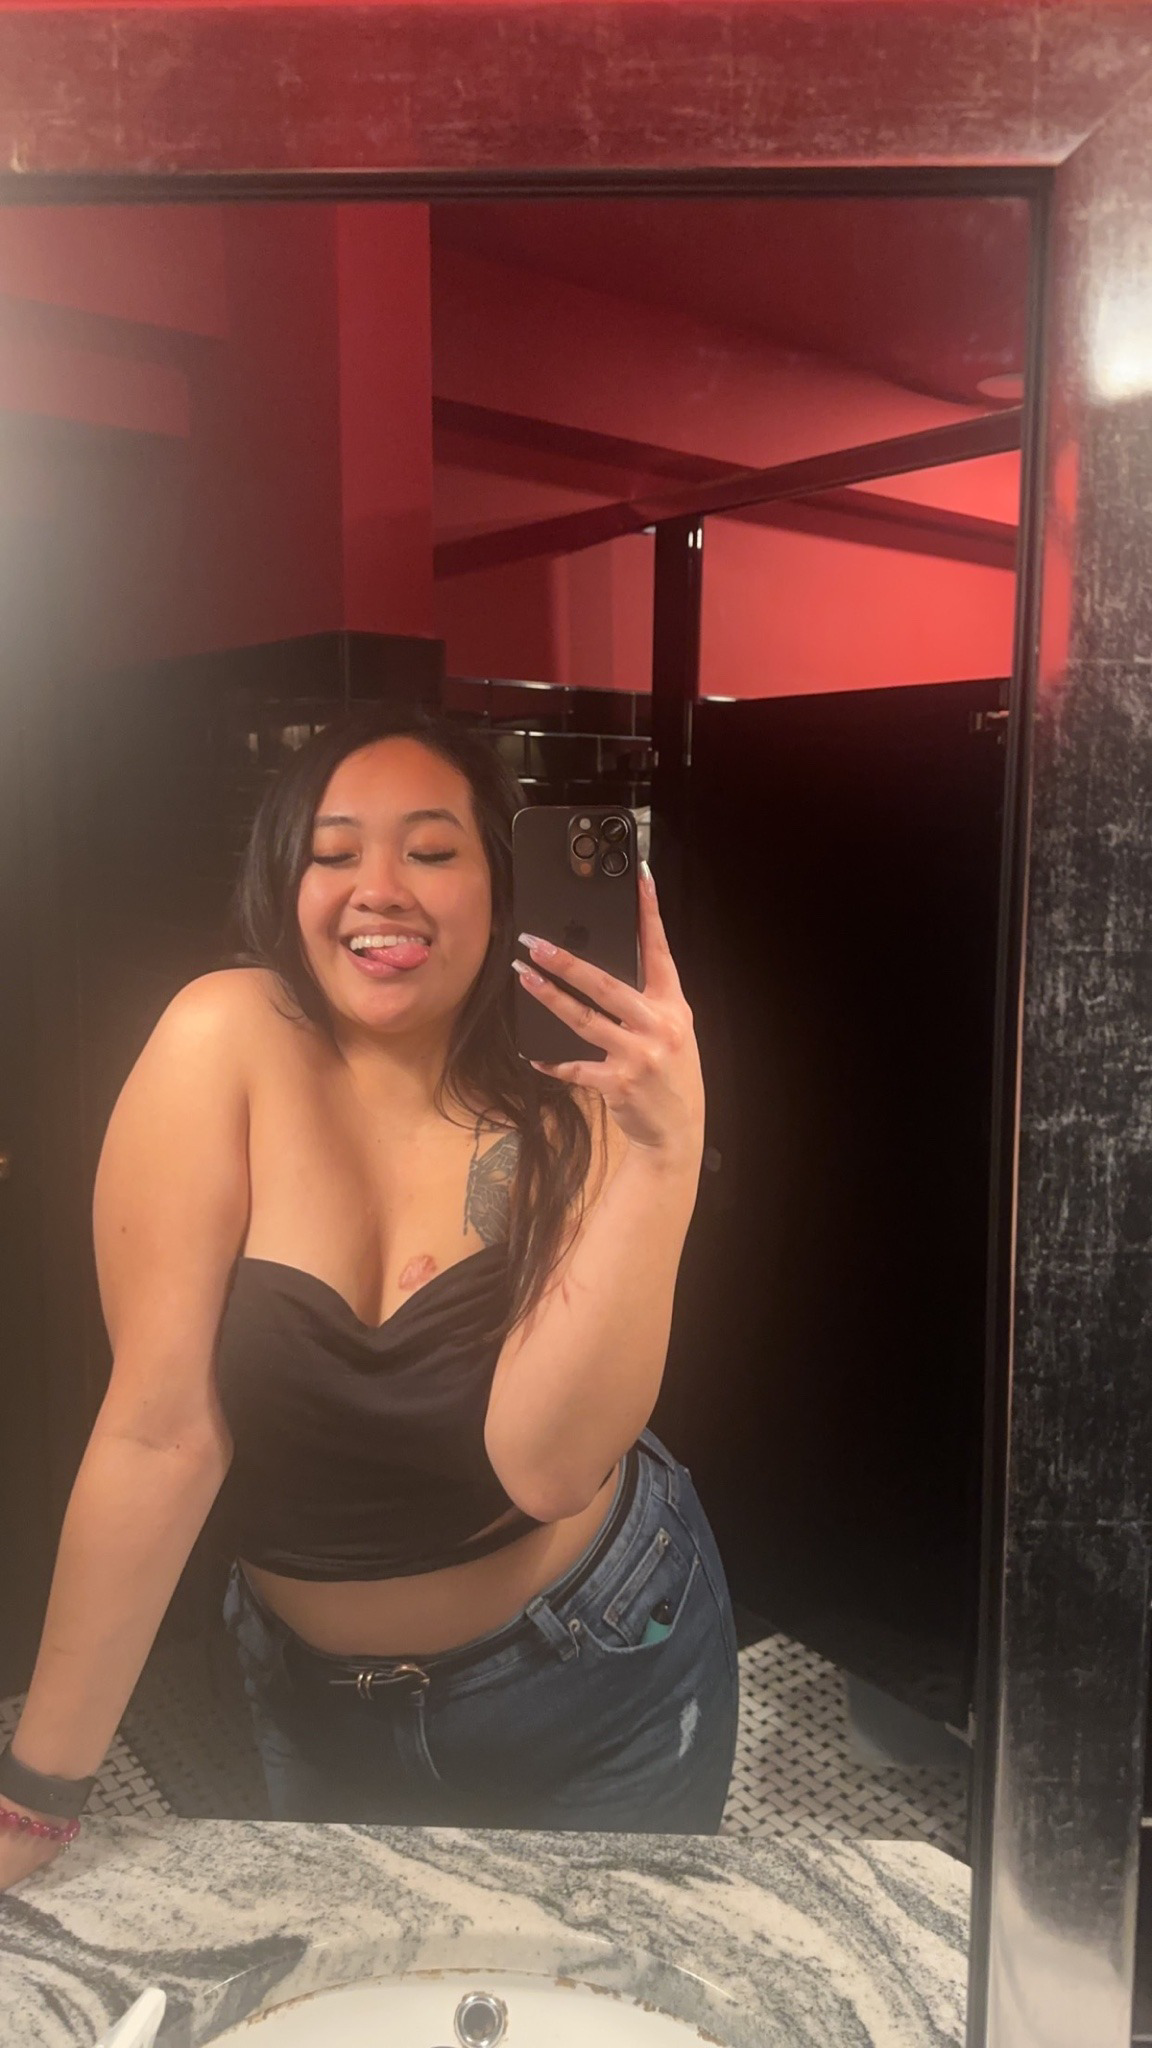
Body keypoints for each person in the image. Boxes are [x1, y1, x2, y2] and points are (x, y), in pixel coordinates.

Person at [0, 705, 739, 1884]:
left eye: (432, 850)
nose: (378, 889)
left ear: (501, 885)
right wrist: (36, 1794)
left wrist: (663, 1151)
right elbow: (157, 1433)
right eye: (332, 852)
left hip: (600, 1661)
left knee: (603, 1978)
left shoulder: (580, 1086)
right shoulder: (220, 1038)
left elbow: (546, 1465)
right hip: (316, 1700)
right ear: (286, 883)